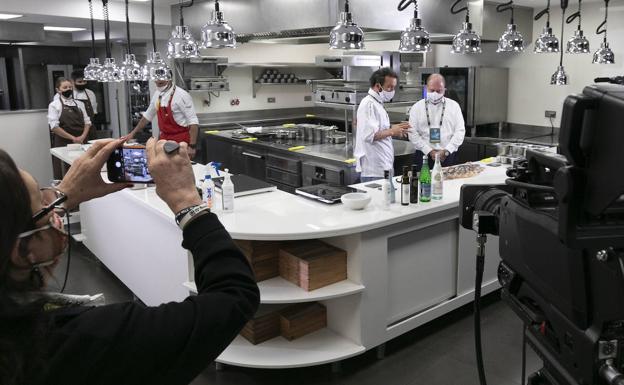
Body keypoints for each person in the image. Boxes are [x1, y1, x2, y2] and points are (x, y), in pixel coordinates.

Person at [0, 139, 259, 385]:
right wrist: (186, 202)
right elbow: (233, 297)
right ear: (23, 252)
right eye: (43, 205)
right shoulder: (88, 340)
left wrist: (63, 195)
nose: (53, 207)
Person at [354, 67, 410, 182]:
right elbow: (369, 135)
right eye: (389, 87)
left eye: (393, 87)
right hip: (374, 170)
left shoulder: (377, 104)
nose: (392, 91)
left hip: (383, 167)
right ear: (378, 86)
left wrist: (395, 129)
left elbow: (379, 129)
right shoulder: (368, 104)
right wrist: (392, 131)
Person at [129, 79, 199, 159]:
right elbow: (147, 116)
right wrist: (132, 133)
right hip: (164, 140)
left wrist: (192, 146)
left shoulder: (182, 95)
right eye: (156, 80)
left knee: (179, 169)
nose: (158, 81)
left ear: (169, 78)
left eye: (161, 81)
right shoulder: (157, 94)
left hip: (181, 141)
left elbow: (193, 122)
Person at [408, 73, 465, 170]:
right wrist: (429, 151)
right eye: (432, 90)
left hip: (448, 156)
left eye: (439, 91)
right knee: (423, 184)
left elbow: (460, 132)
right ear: (426, 88)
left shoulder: (454, 106)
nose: (435, 93)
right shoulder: (417, 107)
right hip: (423, 155)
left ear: (444, 90)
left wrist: (447, 150)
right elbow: (412, 133)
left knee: (450, 184)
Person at [47, 77, 92, 179]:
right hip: (63, 144)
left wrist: (82, 137)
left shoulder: (80, 104)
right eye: (65, 87)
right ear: (58, 90)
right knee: (65, 174)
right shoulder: (54, 105)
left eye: (70, 87)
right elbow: (54, 127)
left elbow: (87, 122)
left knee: (83, 172)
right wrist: (73, 138)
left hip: (81, 143)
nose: (68, 89)